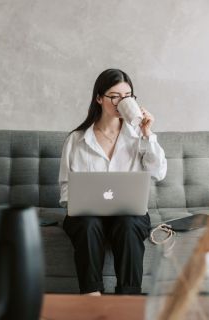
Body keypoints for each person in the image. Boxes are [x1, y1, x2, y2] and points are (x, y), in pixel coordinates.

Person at [58, 69, 167, 295]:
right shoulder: (76, 139)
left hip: (128, 214)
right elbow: (66, 188)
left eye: (127, 96)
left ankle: (128, 299)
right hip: (87, 216)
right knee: (88, 225)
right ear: (99, 98)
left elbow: (158, 173)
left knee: (129, 224)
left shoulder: (138, 136)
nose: (121, 102)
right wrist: (77, 203)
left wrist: (148, 134)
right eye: (114, 96)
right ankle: (91, 296)